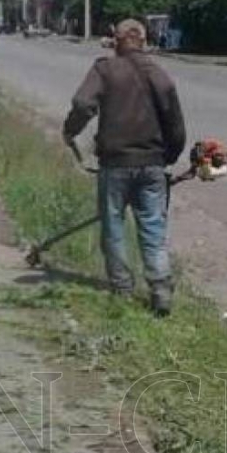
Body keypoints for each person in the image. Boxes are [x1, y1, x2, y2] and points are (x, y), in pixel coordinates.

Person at [63, 18, 186, 315]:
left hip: (115, 164)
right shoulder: (159, 74)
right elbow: (175, 125)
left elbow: (83, 104)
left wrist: (70, 130)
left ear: (116, 41)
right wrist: (168, 157)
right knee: (153, 228)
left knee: (114, 227)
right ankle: (160, 289)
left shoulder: (105, 69)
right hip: (152, 165)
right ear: (144, 41)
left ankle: (122, 290)